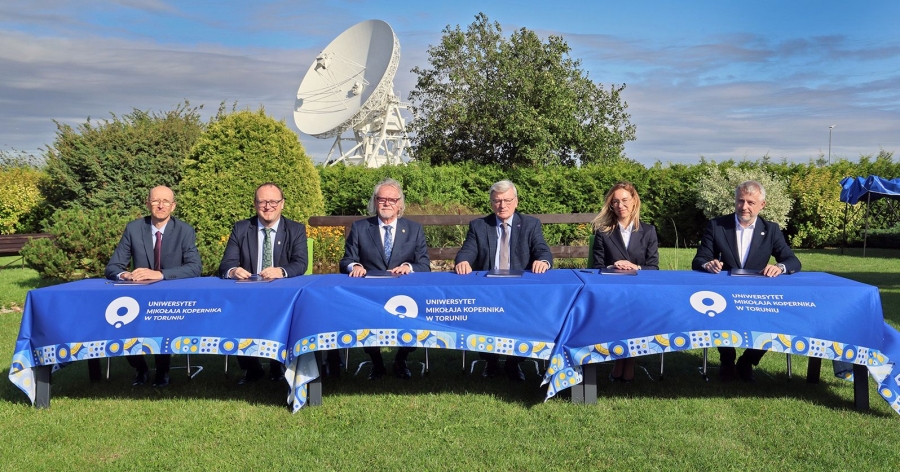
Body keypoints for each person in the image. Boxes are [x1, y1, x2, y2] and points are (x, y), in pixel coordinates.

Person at [692, 180, 801, 382]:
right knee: (716, 313)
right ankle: (727, 360)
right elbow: (699, 259)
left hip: (759, 295)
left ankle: (748, 361)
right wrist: (708, 264)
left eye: (751, 202)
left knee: (774, 320)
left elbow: (792, 260)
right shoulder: (717, 226)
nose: (744, 207)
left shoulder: (771, 230)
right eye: (740, 201)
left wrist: (779, 267)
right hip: (723, 293)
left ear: (762, 205)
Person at [104, 185, 202, 387]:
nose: (161, 205)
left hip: (170, 298)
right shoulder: (133, 228)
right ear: (148, 203)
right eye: (156, 200)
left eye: (166, 201)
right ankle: (140, 368)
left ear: (173, 206)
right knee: (119, 320)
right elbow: (113, 267)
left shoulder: (184, 230)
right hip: (137, 297)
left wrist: (160, 275)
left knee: (163, 321)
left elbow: (195, 268)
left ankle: (163, 370)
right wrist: (126, 275)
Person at [454, 179, 552, 381]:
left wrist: (543, 261)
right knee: (484, 317)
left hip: (520, 290)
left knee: (525, 318)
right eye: (497, 201)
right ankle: (490, 361)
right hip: (488, 290)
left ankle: (513, 363)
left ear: (516, 201)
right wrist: (463, 262)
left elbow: (542, 250)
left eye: (507, 200)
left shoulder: (530, 224)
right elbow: (467, 252)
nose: (502, 205)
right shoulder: (479, 226)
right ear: (491, 203)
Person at [339, 178, 430, 379]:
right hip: (371, 293)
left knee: (419, 314)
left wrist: (409, 267)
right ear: (375, 201)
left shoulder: (414, 229)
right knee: (363, 317)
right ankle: (377, 363)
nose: (386, 203)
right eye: (382, 199)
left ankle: (401, 359)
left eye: (392, 199)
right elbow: (347, 260)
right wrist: (355, 266)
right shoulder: (360, 228)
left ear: (399, 204)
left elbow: (424, 265)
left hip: (405, 293)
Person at [218, 183, 308, 385]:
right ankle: (252, 368)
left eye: (273, 201)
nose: (268, 206)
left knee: (283, 316)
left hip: (282, 295)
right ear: (255, 204)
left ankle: (278, 367)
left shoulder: (295, 229)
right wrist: (234, 271)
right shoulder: (241, 228)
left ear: (282, 204)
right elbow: (226, 264)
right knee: (237, 311)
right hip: (248, 294)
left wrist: (281, 271)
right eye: (262, 202)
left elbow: (301, 263)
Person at [591, 181, 659, 382]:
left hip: (640, 290)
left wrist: (635, 267)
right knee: (620, 314)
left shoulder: (648, 231)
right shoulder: (603, 232)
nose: (620, 205)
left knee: (634, 314)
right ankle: (623, 361)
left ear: (634, 201)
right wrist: (613, 267)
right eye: (615, 202)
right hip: (612, 291)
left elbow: (654, 267)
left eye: (624, 200)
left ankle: (626, 361)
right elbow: (597, 266)